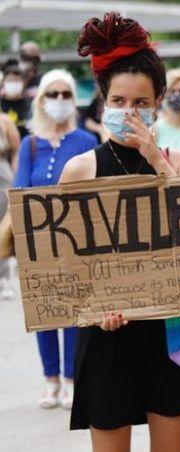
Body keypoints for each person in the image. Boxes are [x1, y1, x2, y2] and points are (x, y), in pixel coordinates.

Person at [61, 12, 180, 452]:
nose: (129, 110)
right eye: (118, 101)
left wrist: (159, 160)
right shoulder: (79, 169)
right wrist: (95, 309)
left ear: (159, 102)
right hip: (106, 335)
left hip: (169, 332)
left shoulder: (176, 162)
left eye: (141, 101)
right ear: (103, 101)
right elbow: (63, 265)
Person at [14, 69, 94, 409]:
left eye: (66, 94)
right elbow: (18, 191)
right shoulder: (30, 143)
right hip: (38, 242)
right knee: (46, 312)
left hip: (75, 241)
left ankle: (74, 379)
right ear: (42, 100)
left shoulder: (86, 141)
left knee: (76, 313)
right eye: (53, 94)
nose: (60, 101)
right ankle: (51, 380)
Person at [0, 110, 16, 301]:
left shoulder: (4, 121)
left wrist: (16, 183)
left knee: (2, 231)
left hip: (2, 180)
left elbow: (15, 151)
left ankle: (4, 278)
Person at [1, 61, 32, 137]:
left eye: (17, 81)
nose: (14, 84)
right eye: (10, 81)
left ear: (23, 83)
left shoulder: (31, 105)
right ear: (3, 83)